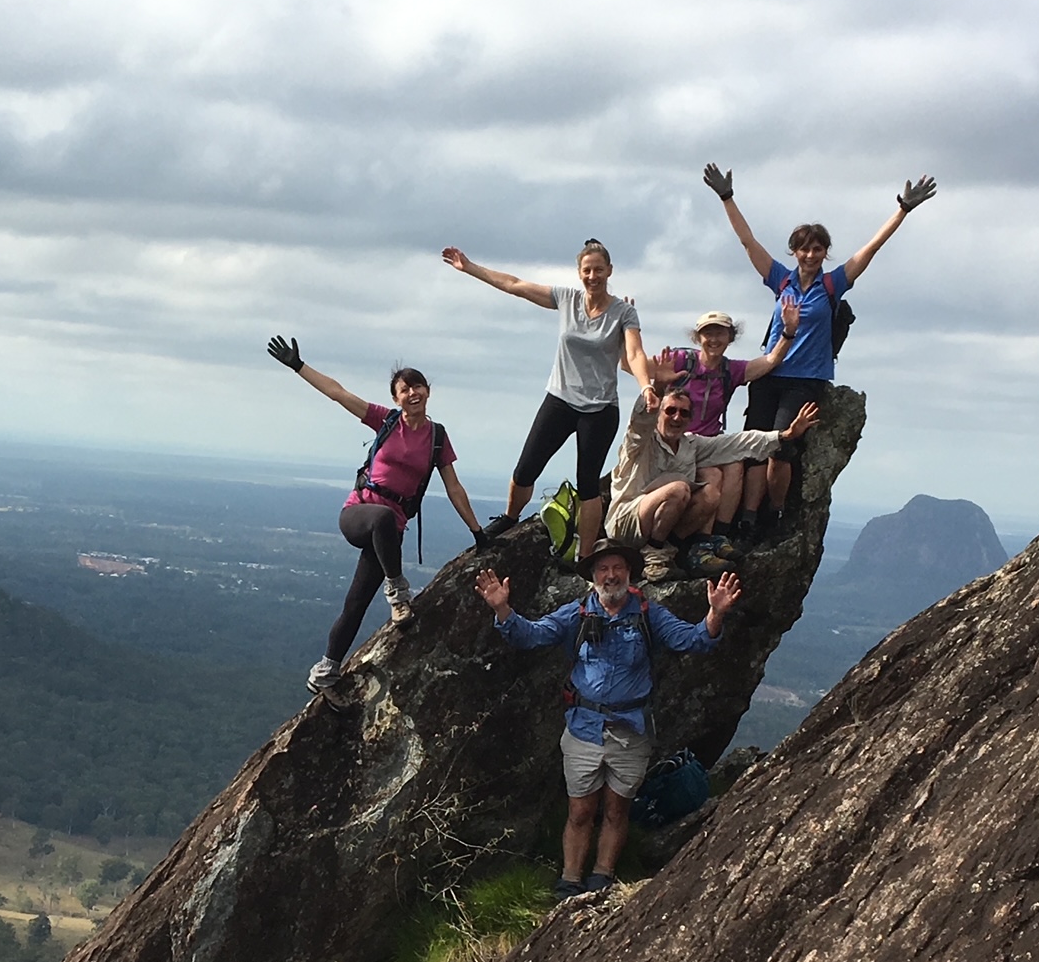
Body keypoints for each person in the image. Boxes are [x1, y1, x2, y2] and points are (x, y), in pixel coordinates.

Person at [474, 541, 740, 898]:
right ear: (593, 577)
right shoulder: (577, 614)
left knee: (617, 809)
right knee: (580, 810)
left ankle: (603, 876)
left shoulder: (649, 614)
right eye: (603, 569)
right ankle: (570, 880)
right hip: (585, 728)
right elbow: (533, 636)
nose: (610, 575)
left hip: (631, 730)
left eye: (617, 568)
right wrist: (503, 609)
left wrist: (715, 615)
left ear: (629, 574)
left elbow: (692, 640)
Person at [701, 162, 937, 537]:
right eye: (804, 248)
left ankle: (774, 514)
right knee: (754, 448)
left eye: (817, 249)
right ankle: (746, 519)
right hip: (768, 372)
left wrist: (903, 209)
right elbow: (748, 242)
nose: (810, 255)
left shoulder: (833, 284)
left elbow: (871, 248)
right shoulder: (781, 281)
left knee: (781, 448)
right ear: (793, 252)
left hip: (805, 381)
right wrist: (727, 197)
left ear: (825, 252)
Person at [268, 335, 485, 694]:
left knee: (356, 602)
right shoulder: (385, 421)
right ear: (395, 398)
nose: (413, 393)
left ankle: (325, 671)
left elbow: (454, 487)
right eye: (405, 389)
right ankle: (399, 595)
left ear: (427, 391)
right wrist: (298, 366)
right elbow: (338, 393)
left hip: (391, 531)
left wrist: (477, 531)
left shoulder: (437, 437)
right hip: (360, 514)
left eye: (418, 386)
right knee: (382, 519)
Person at [440, 238, 656, 560]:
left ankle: (585, 556)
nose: (592, 275)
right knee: (526, 468)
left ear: (609, 271)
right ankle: (510, 517)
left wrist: (646, 386)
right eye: (587, 270)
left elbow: (635, 352)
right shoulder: (566, 299)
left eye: (599, 269)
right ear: (579, 272)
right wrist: (469, 267)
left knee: (587, 483)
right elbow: (515, 284)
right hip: (560, 399)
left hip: (599, 410)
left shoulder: (624, 313)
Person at [607, 389, 821, 581]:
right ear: (658, 414)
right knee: (680, 488)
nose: (676, 417)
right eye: (670, 410)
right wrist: (658, 387)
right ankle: (654, 557)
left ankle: (669, 549)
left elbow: (737, 443)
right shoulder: (641, 443)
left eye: (684, 413)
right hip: (627, 522)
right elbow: (638, 424)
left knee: (709, 493)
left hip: (659, 523)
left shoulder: (691, 445)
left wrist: (785, 435)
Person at [646, 298, 799, 550]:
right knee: (715, 475)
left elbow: (770, 362)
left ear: (730, 338)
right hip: (678, 442)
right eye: (708, 333)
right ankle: (702, 543)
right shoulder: (682, 361)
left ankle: (721, 534)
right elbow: (629, 364)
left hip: (710, 444)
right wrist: (624, 333)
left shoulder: (731, 371)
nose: (714, 339)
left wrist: (788, 332)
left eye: (720, 333)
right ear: (698, 338)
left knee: (736, 466)